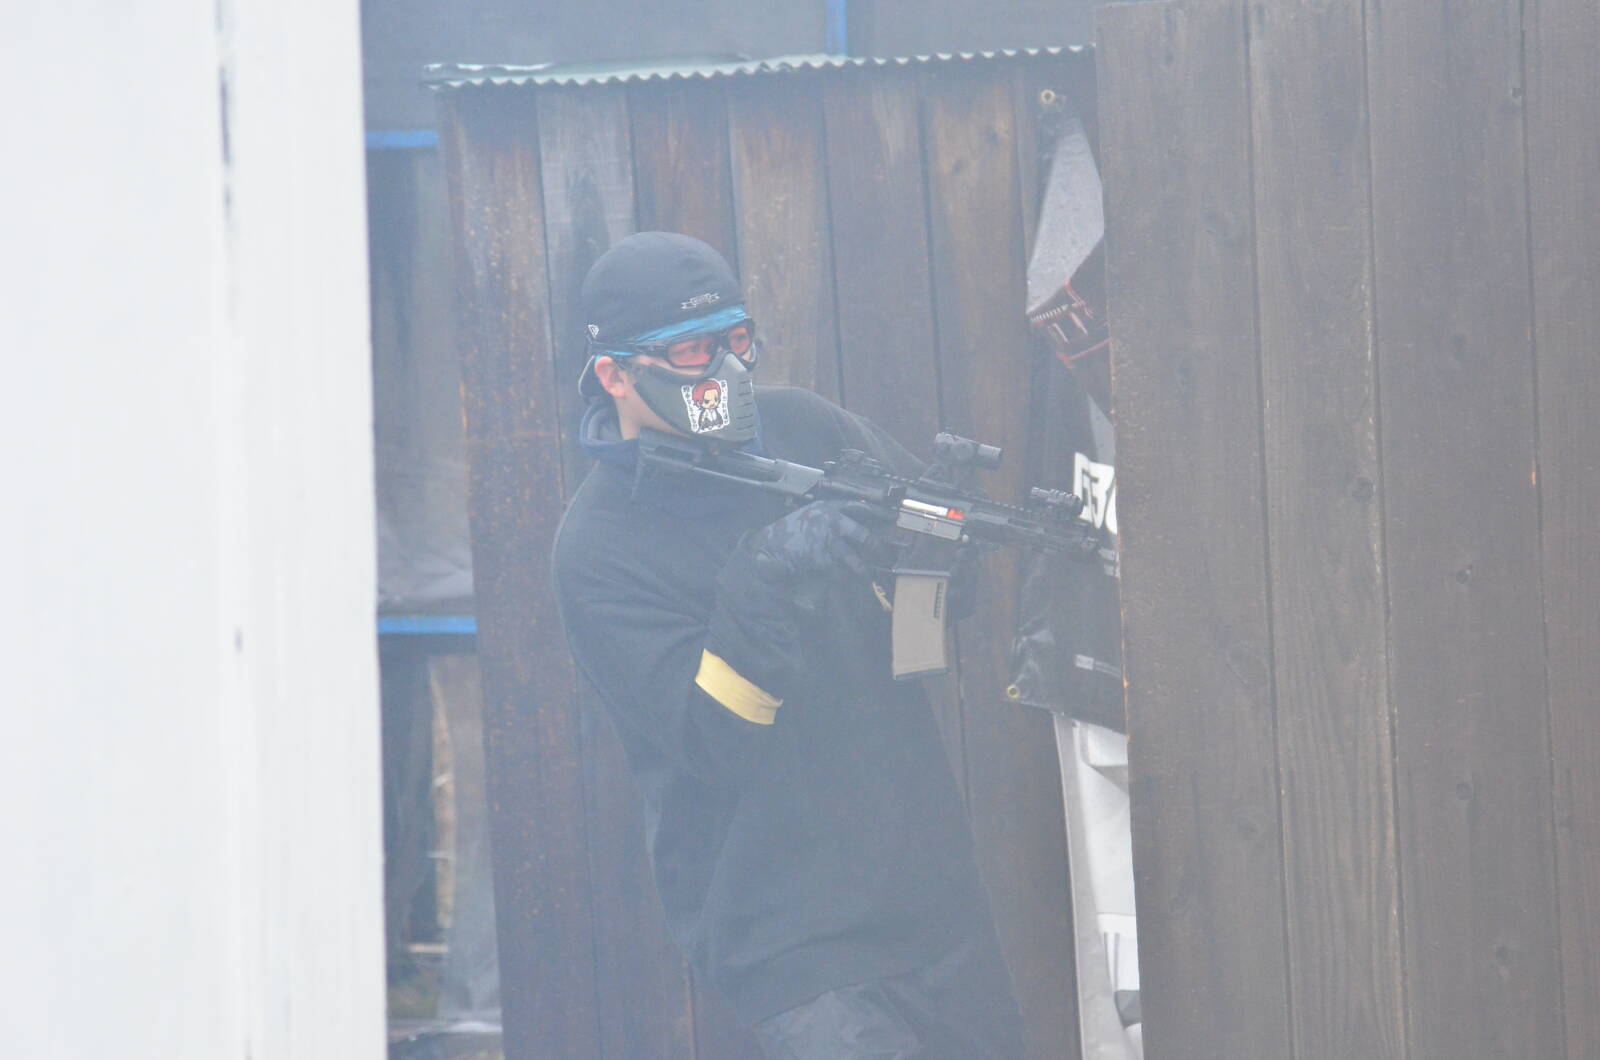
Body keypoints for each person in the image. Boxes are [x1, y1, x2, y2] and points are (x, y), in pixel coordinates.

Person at [551, 231, 1026, 1058]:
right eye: (693, 351)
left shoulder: (804, 426)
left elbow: (930, 627)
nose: (726, 369)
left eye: (737, 339)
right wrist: (765, 575)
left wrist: (933, 561)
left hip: (931, 900)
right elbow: (713, 741)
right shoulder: (599, 548)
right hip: (791, 938)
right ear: (614, 374)